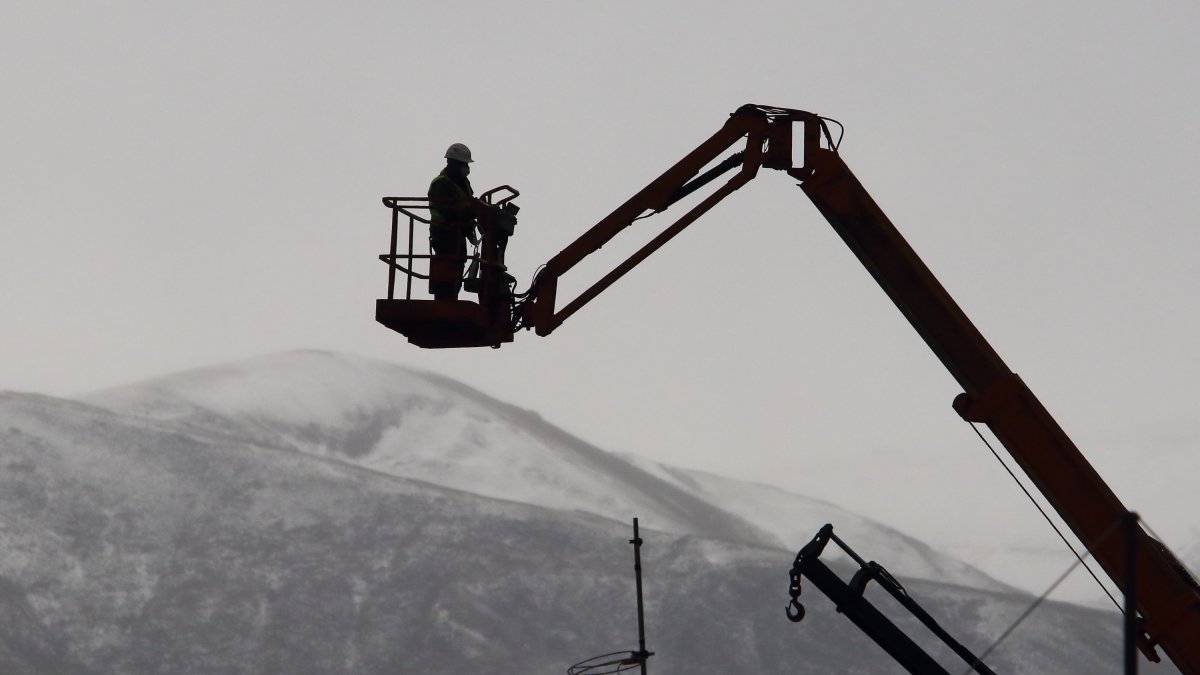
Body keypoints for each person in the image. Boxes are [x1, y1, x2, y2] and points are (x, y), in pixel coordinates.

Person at [427, 143, 480, 300]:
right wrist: (471, 213)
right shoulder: (441, 183)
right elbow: (448, 211)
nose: (466, 167)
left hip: (458, 235)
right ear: (453, 163)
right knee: (446, 271)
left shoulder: (463, 183)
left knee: (457, 266)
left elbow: (468, 205)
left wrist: (471, 229)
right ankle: (443, 300)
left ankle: (451, 298)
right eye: (464, 164)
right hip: (443, 235)